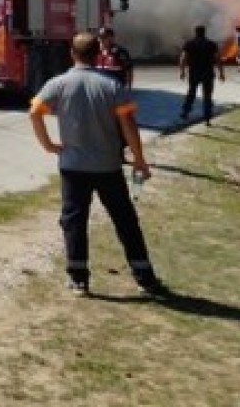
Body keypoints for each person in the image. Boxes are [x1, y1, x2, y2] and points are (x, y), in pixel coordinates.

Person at [29, 31, 165, 297]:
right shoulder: (113, 86)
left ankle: (78, 278)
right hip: (107, 167)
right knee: (125, 220)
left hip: (72, 166)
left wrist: (48, 146)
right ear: (98, 55)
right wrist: (139, 161)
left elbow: (35, 112)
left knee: (74, 221)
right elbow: (129, 126)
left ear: (72, 53)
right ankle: (144, 278)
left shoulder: (57, 84)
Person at [179, 25, 225, 124]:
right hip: (208, 73)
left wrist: (182, 72)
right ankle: (207, 118)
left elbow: (183, 58)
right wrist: (221, 73)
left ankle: (185, 112)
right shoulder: (211, 44)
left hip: (194, 73)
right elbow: (218, 59)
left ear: (195, 32)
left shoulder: (189, 43)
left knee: (191, 93)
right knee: (207, 96)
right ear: (204, 32)